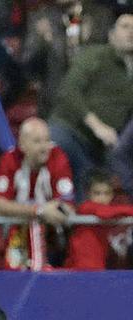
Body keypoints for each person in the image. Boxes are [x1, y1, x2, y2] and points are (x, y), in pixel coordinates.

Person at [48, 13, 133, 197]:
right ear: (111, 35)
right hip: (70, 131)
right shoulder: (94, 55)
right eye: (125, 26)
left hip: (102, 148)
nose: (131, 32)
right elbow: (69, 90)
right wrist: (97, 126)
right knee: (56, 146)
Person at [0, 118, 76, 270]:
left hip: (52, 239)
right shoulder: (10, 159)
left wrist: (49, 210)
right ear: (23, 145)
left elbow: (67, 206)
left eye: (47, 140)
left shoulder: (58, 157)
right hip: (17, 236)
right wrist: (39, 210)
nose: (45, 147)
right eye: (37, 141)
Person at [65, 170, 133, 270]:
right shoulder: (86, 207)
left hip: (98, 262)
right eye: (97, 193)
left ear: (112, 195)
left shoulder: (112, 210)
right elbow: (104, 213)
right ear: (88, 193)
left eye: (107, 193)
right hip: (81, 264)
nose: (102, 198)